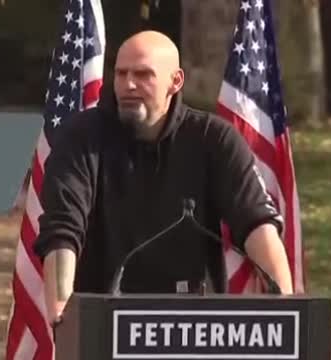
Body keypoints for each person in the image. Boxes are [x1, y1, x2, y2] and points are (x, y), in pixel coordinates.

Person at [33, 30, 294, 327]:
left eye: (143, 74)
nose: (128, 85)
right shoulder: (81, 137)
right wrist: (62, 313)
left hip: (192, 325)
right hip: (100, 321)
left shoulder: (213, 138)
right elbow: (62, 228)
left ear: (176, 81)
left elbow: (258, 223)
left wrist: (285, 312)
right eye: (121, 74)